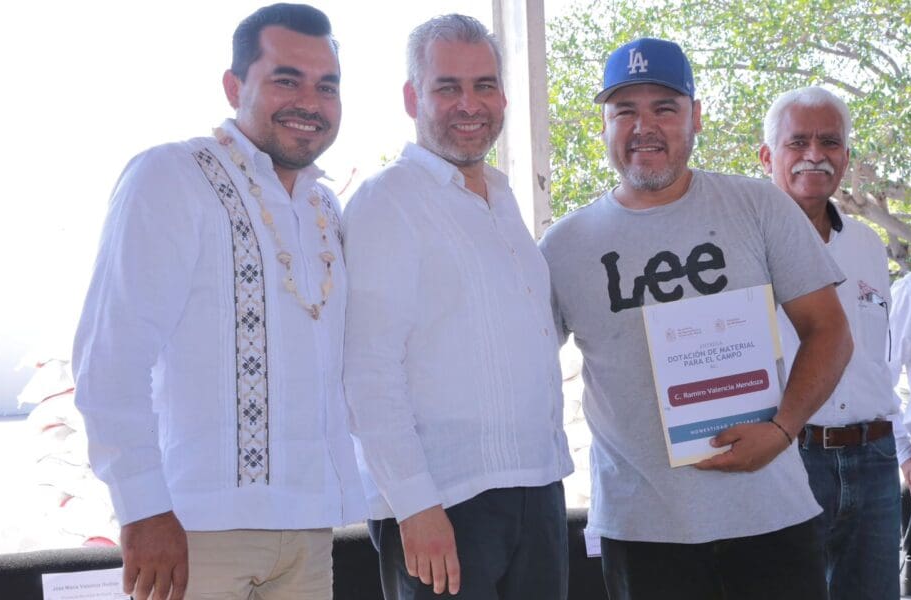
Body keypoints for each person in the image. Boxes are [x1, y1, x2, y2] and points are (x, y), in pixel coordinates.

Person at [539, 38, 852, 600]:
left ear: (696, 117)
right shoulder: (563, 246)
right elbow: (522, 365)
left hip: (772, 517)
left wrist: (782, 430)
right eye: (625, 111)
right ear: (603, 124)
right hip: (643, 534)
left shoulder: (758, 207)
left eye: (664, 108)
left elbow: (829, 331)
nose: (644, 127)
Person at [71, 4, 365, 600]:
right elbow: (111, 359)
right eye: (287, 79)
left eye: (327, 86)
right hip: (193, 530)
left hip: (311, 526)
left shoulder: (324, 208)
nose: (310, 101)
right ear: (234, 86)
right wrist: (143, 509)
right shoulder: (171, 176)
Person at [342, 14, 573, 600]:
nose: (470, 104)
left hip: (538, 487)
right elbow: (367, 371)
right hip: (444, 502)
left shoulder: (503, 197)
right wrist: (414, 504)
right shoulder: (386, 201)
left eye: (484, 85)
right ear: (412, 97)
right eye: (448, 87)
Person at [759, 85, 911, 599]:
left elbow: (876, 363)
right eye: (797, 142)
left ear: (846, 156)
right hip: (788, 458)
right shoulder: (743, 247)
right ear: (767, 156)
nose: (815, 155)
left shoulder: (868, 245)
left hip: (875, 460)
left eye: (830, 142)